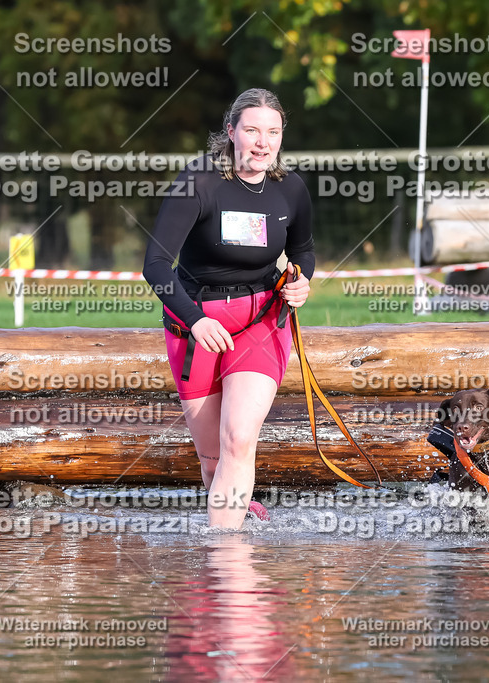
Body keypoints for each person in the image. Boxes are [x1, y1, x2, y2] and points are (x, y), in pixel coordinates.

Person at [143, 88, 314, 530]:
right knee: (212, 460)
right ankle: (237, 516)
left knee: (238, 440)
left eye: (272, 132)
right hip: (195, 325)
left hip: (260, 321)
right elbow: (156, 265)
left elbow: (303, 251)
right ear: (231, 131)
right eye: (252, 130)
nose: (262, 142)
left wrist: (301, 281)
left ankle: (225, 558)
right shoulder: (198, 182)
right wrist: (195, 320)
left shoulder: (291, 189)